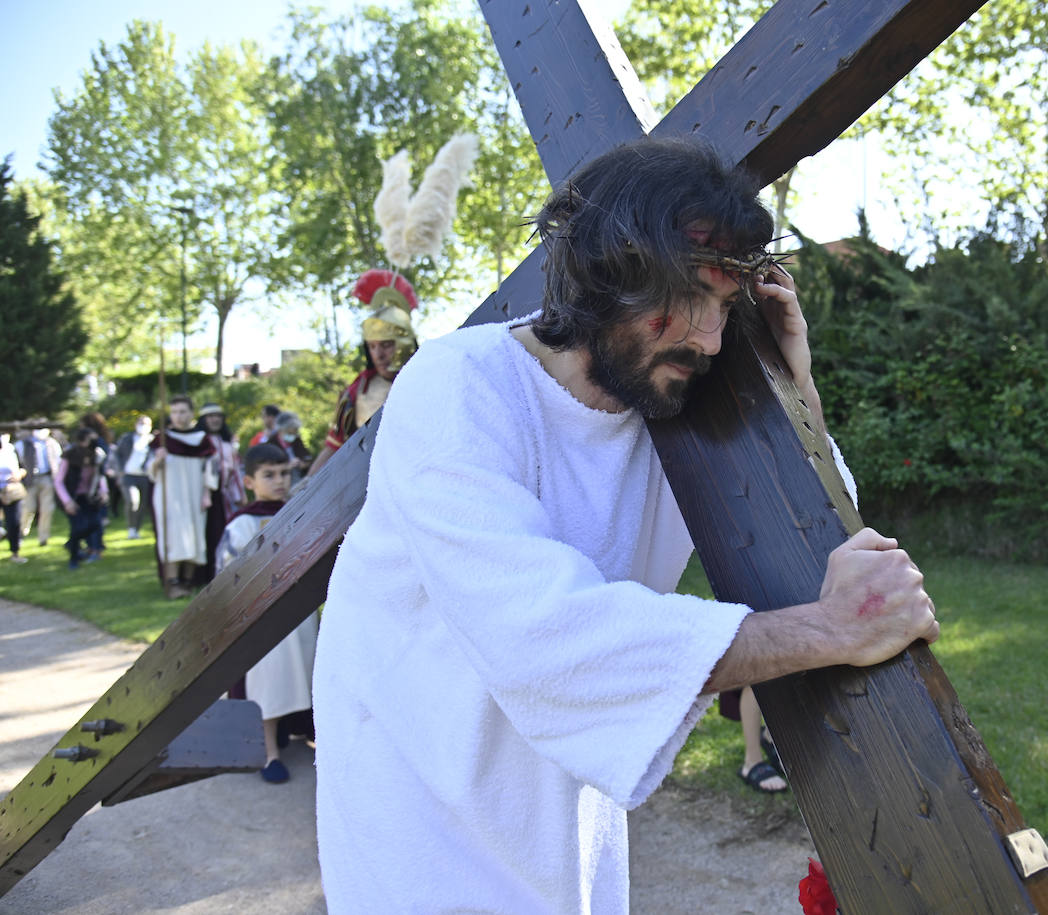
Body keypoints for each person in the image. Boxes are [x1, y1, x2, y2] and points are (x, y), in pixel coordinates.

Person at [312, 137, 939, 913]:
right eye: (690, 299)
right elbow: (545, 634)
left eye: (727, 307)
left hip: (558, 809)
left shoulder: (673, 408)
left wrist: (793, 394)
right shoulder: (459, 387)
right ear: (607, 275)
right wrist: (826, 631)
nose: (711, 340)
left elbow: (814, 538)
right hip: (416, 808)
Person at [215, 443, 316, 784]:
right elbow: (229, 574)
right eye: (269, 475)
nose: (279, 481)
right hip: (263, 620)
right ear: (248, 481)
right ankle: (268, 749)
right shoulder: (242, 524)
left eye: (285, 473)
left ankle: (303, 730)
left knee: (305, 673)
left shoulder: (300, 510)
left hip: (300, 614)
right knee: (269, 684)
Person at [307, 270, 419, 477]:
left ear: (403, 344)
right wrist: (306, 487)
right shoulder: (357, 392)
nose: (379, 355)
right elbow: (334, 447)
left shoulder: (428, 379)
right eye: (373, 347)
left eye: (386, 345)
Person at [150, 395, 217, 599]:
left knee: (194, 536)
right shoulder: (162, 440)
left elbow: (211, 470)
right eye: (174, 412)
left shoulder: (202, 440)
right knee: (171, 537)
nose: (178, 416)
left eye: (182, 412)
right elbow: (150, 472)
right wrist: (158, 461)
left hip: (194, 494)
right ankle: (172, 583)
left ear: (191, 414)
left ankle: (187, 582)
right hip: (169, 495)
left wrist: (207, 493)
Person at [195, 403, 246, 587]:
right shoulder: (198, 441)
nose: (214, 420)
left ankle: (219, 575)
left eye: (218, 416)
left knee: (219, 534)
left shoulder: (227, 445)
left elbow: (234, 473)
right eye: (210, 416)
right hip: (200, 496)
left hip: (222, 496)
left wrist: (239, 496)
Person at [54, 427, 109, 570]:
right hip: (72, 497)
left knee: (96, 524)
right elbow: (59, 481)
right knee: (77, 527)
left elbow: (100, 475)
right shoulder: (70, 455)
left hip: (89, 497)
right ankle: (73, 559)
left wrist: (104, 491)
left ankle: (71, 544)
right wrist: (67, 502)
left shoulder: (97, 455)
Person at [19, 427, 62, 546]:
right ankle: (21, 533)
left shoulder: (51, 443)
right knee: (28, 508)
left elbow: (58, 460)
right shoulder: (24, 443)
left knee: (46, 510)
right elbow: (20, 460)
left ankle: (43, 537)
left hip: (47, 477)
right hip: (31, 479)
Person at [114, 416, 155, 539]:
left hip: (145, 476)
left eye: (146, 424)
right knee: (133, 501)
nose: (143, 426)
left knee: (142, 505)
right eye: (141, 423)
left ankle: (137, 529)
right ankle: (131, 528)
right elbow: (117, 454)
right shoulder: (127, 438)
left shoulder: (152, 440)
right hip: (129, 475)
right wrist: (120, 470)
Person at [0, 430, 27, 563]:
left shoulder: (11, 450)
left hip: (11, 490)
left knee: (14, 522)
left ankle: (15, 552)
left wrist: (19, 474)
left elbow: (23, 467)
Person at [269, 411, 312, 486]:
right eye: (289, 433)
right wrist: (287, 467)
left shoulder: (297, 440)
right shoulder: (271, 445)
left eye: (294, 433)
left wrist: (303, 463)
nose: (293, 436)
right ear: (280, 430)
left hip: (301, 478)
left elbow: (307, 457)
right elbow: (270, 469)